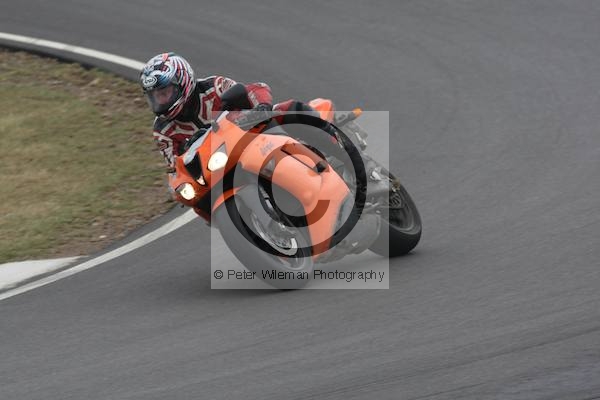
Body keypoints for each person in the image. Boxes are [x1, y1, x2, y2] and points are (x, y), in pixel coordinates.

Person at [140, 52, 346, 167]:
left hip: (254, 135)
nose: (160, 101)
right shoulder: (162, 130)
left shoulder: (213, 87)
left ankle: (343, 150)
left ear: (182, 82)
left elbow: (255, 89)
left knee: (290, 109)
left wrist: (261, 106)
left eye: (164, 93)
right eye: (154, 96)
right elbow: (175, 167)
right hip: (222, 166)